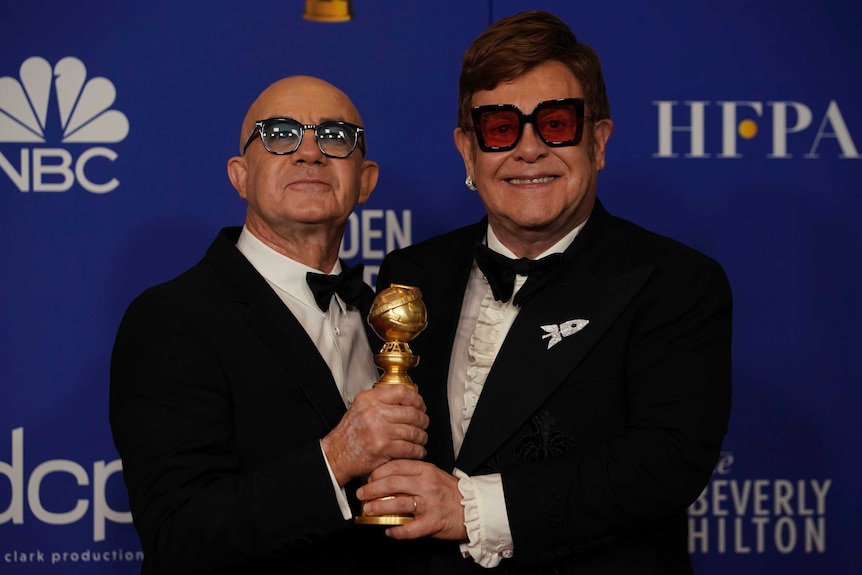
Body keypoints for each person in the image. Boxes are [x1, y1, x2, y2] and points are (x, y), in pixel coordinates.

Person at [358, 10, 732, 574]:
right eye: (501, 128)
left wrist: (469, 508)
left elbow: (663, 464)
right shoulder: (412, 272)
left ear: (598, 142)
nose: (529, 150)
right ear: (468, 150)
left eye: (556, 123)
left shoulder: (675, 282)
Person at [109, 75, 430, 574]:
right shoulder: (172, 318)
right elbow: (177, 535)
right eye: (279, 134)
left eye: (335, 136)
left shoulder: (383, 315)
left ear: (366, 180)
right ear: (240, 175)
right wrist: (337, 457)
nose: (310, 153)